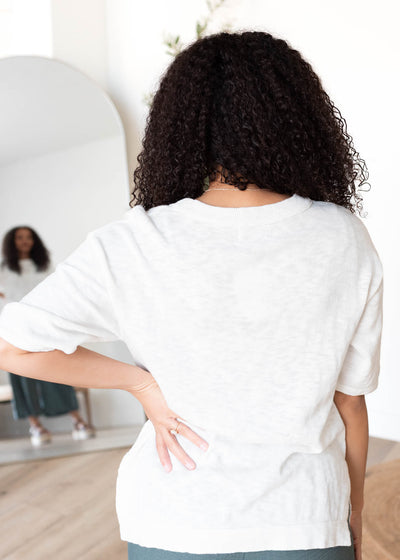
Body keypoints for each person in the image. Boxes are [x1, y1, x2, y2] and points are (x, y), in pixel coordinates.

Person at [0, 30, 383, 560]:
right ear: (299, 117)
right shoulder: (344, 237)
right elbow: (350, 404)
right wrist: (353, 510)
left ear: (181, 125)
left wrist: (140, 384)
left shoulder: (134, 241)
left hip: (172, 518)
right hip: (306, 520)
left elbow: (13, 346)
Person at [0, 225, 95, 445]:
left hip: (44, 327)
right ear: (11, 242)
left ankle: (77, 420)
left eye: (29, 237)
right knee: (22, 378)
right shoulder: (4, 269)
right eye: (20, 238)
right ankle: (35, 426)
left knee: (58, 372)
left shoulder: (44, 266)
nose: (25, 241)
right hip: (14, 330)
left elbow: (55, 293)